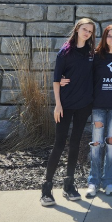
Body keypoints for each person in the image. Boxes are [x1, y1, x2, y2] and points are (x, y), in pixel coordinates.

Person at [41, 17, 96, 206]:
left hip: (83, 106)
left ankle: (68, 185)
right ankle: (46, 188)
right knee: (59, 144)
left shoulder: (91, 53)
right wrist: (57, 105)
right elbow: (56, 81)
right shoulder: (65, 52)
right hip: (64, 105)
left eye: (90, 31)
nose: (87, 33)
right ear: (77, 29)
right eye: (84, 29)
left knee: (75, 144)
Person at [87, 23, 112, 198]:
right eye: (109, 36)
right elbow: (84, 74)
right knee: (97, 145)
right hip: (98, 107)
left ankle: (109, 181)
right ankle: (93, 182)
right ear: (104, 38)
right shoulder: (96, 56)